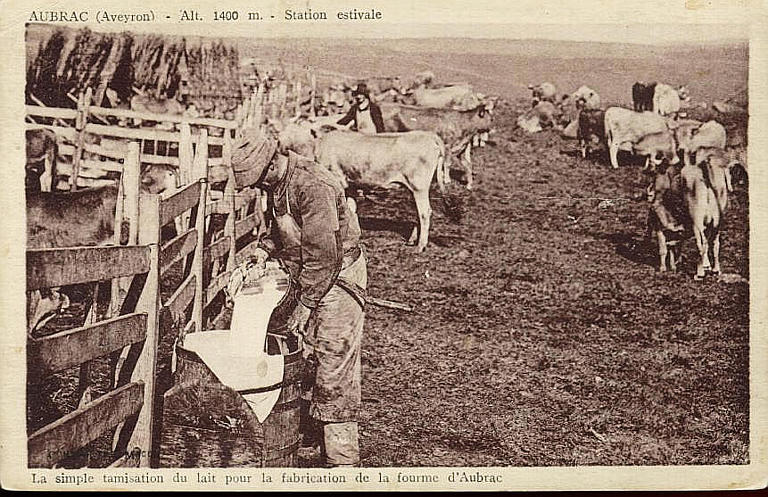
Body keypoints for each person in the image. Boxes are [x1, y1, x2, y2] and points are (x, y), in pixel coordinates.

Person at [231, 128, 367, 468]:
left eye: (259, 181)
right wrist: (263, 252)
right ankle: (306, 432)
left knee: (334, 362)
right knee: (305, 355)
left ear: (272, 164)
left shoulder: (312, 185)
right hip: (309, 275)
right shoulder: (276, 186)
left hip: (338, 278)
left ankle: (342, 463)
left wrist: (305, 307)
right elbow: (277, 231)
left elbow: (325, 256)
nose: (259, 188)